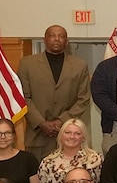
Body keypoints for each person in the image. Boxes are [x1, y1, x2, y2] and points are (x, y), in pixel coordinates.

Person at [17, 24, 91, 160]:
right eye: (52, 36)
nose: (56, 39)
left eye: (61, 36)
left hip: (69, 135)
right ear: (44, 40)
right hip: (37, 135)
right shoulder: (27, 64)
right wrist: (41, 122)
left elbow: (83, 99)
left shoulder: (80, 66)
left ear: (67, 42)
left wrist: (62, 121)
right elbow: (23, 97)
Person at [37, 118, 104, 183]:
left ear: (83, 137)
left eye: (77, 133)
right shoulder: (47, 163)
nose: (72, 137)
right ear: (61, 136)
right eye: (67, 133)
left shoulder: (95, 160)